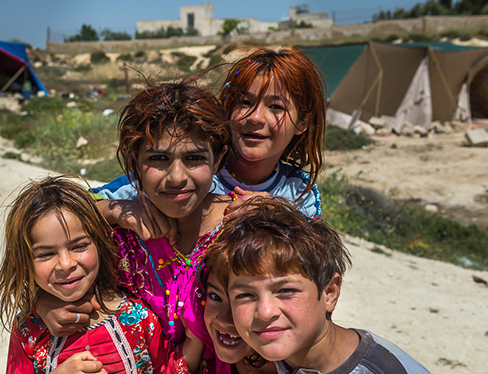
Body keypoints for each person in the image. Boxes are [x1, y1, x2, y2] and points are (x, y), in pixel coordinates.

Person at [37, 80, 236, 374]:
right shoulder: (120, 234)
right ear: (134, 162)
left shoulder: (241, 230)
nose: (177, 177)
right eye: (158, 159)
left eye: (194, 158)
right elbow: (49, 252)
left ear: (218, 158)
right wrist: (45, 303)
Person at [204, 197, 471, 374]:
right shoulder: (285, 364)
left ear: (329, 293)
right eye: (245, 295)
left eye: (285, 291)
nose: (264, 311)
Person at [0, 176, 207, 374]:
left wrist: (197, 338)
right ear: (24, 260)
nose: (66, 264)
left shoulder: (136, 317)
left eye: (79, 246)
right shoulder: (29, 331)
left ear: (100, 243)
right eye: (46, 254)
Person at [93, 46, 326, 245]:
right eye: (244, 102)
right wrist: (113, 209)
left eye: (276, 107)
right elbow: (79, 204)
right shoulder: (194, 170)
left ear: (302, 122)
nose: (255, 117)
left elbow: (319, 262)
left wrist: (283, 217)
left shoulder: (298, 192)